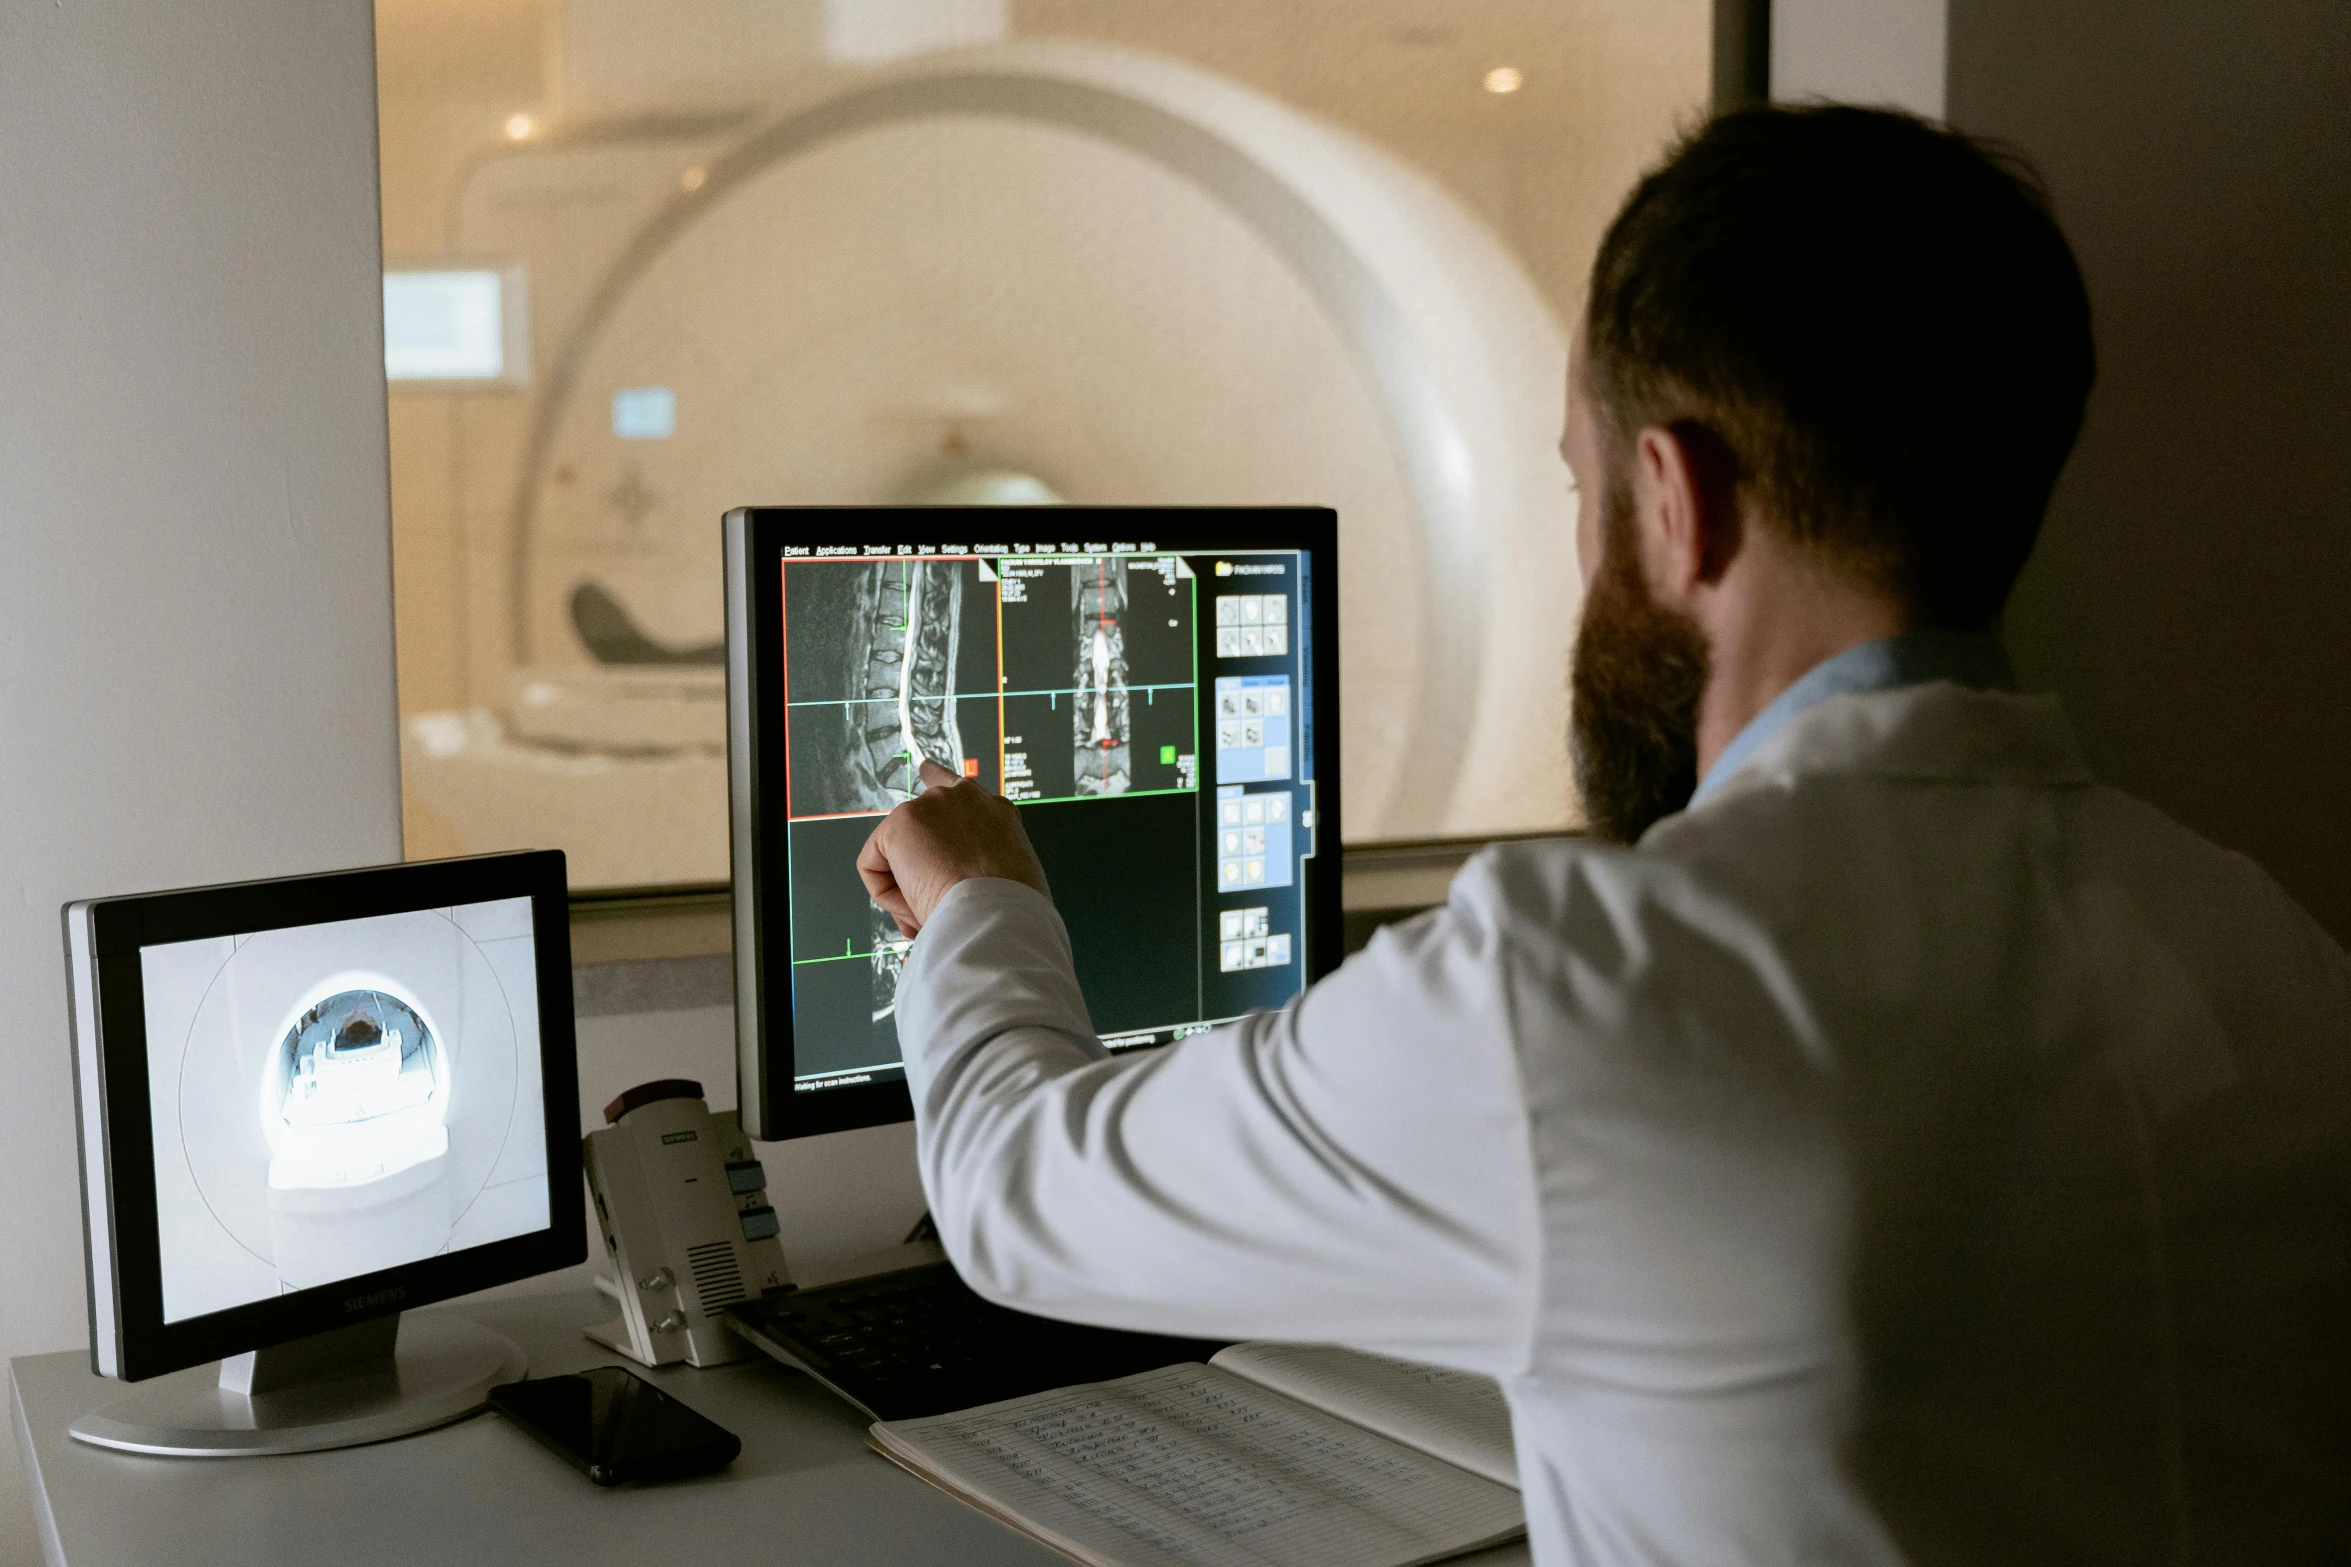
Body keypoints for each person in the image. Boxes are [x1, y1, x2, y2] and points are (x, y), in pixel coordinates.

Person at [857, 105, 2351, 1565]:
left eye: (1582, 485)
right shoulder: (2266, 954)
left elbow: (1012, 1193)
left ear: (1672, 496)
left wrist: (982, 894)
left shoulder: (1584, 988)